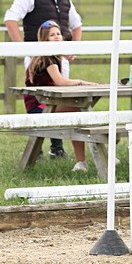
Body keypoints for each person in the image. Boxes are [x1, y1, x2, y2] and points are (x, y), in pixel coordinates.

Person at [4, 0, 83, 159]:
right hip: (37, 60)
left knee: (60, 97)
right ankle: (37, 147)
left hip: (61, 58)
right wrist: (23, 48)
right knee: (39, 98)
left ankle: (56, 148)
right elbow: (11, 19)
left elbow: (76, 24)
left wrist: (74, 48)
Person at [27, 20, 98, 172]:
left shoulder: (53, 58)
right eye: (52, 35)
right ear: (45, 39)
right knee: (78, 109)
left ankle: (86, 159)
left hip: (46, 103)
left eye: (59, 34)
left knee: (79, 110)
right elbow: (60, 81)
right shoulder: (47, 58)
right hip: (39, 107)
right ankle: (87, 158)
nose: (57, 37)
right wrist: (82, 82)